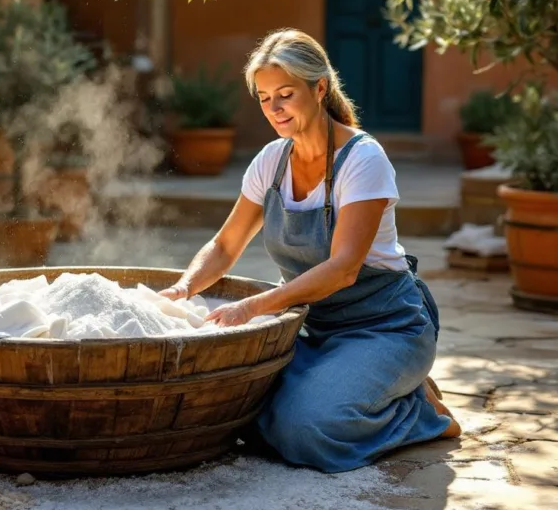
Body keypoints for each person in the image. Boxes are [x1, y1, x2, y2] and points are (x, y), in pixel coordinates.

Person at [158, 28, 460, 474]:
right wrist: (183, 288)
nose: (274, 109)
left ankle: (419, 411)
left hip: (385, 327)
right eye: (264, 98)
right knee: (227, 414)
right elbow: (225, 244)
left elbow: (342, 270)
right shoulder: (270, 162)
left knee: (306, 433)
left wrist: (253, 307)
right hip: (312, 330)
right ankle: (353, 387)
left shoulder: (363, 160)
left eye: (285, 94)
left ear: (319, 88)